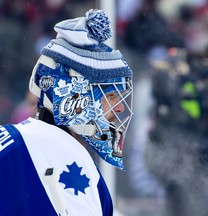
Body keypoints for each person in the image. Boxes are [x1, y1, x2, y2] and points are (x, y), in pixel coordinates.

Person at [0, 9, 133, 216]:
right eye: (110, 96)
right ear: (73, 94)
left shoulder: (14, 141)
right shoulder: (62, 154)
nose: (120, 108)